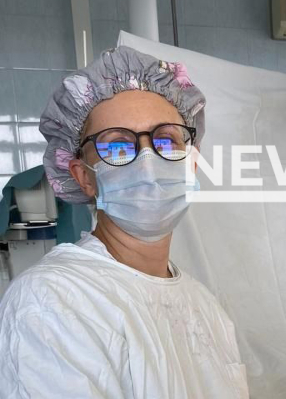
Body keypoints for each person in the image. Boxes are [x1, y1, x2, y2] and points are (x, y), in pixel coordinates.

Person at [0, 46, 249, 399]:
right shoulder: (52, 303)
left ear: (191, 162)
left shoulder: (203, 304)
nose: (148, 161)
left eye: (167, 139)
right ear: (83, 176)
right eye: (118, 146)